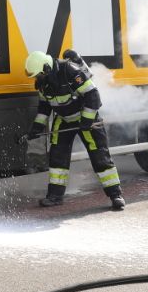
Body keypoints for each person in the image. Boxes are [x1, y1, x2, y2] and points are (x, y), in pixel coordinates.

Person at [19, 49, 125, 211]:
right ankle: (55, 196)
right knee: (57, 158)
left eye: (38, 76)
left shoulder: (70, 71)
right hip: (63, 120)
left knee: (100, 156)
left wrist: (87, 120)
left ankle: (115, 195)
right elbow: (44, 108)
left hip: (86, 118)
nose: (36, 79)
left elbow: (93, 95)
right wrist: (36, 128)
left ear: (47, 69)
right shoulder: (44, 84)